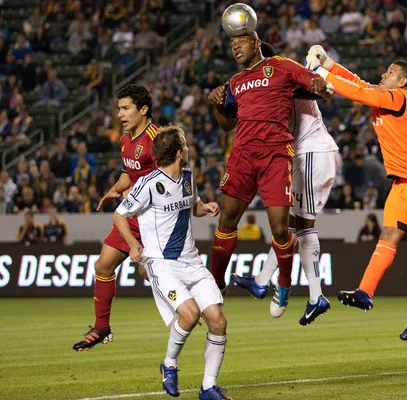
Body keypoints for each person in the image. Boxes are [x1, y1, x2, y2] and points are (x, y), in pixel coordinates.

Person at [306, 45, 407, 340]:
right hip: (402, 183)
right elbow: (358, 83)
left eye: (391, 72)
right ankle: (364, 292)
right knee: (387, 237)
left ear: (403, 83)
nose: (384, 74)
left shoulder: (400, 98)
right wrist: (328, 62)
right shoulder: (387, 95)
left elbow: (361, 94)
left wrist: (321, 74)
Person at [207, 31, 328, 314]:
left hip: (275, 154)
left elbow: (314, 84)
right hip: (242, 156)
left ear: (256, 43)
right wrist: (216, 105)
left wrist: (319, 83)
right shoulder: (235, 82)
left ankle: (283, 283)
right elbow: (227, 125)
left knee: (279, 228)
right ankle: (215, 284)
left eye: (241, 42)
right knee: (226, 219)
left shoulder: (282, 66)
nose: (236, 47)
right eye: (232, 44)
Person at [113, 126, 230, 399]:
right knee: (188, 315)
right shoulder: (148, 184)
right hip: (162, 264)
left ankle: (208, 388)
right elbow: (120, 215)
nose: (189, 149)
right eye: (186, 145)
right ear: (179, 152)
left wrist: (206, 207)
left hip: (192, 262)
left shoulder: (188, 177)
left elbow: (193, 207)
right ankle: (169, 364)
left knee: (218, 322)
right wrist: (133, 244)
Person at [231, 42, 338, 326]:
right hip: (308, 154)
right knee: (289, 227)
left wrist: (319, 59)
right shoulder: (279, 83)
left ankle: (316, 296)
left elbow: (318, 81)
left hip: (312, 152)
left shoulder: (283, 79)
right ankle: (261, 280)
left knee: (302, 226)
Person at [72, 84, 158, 351]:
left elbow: (173, 177)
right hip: (131, 214)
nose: (120, 114)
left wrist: (140, 191)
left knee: (149, 272)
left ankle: (192, 304)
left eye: (126, 108)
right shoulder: (125, 139)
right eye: (118, 108)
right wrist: (116, 189)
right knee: (103, 267)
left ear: (143, 110)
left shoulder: (157, 139)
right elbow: (128, 174)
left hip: (154, 217)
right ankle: (102, 328)